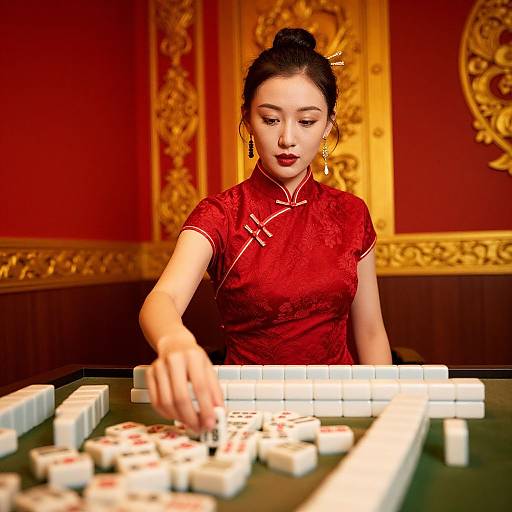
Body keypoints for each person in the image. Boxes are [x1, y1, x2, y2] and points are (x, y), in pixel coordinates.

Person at [139, 27, 392, 434]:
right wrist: (175, 341)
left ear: (328, 126)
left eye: (307, 121)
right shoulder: (220, 213)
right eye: (271, 119)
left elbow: (371, 331)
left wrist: (384, 413)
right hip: (247, 406)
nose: (287, 139)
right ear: (248, 122)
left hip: (342, 403)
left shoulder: (351, 213)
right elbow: (162, 299)